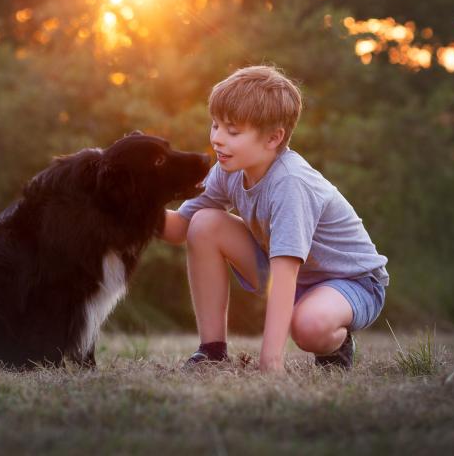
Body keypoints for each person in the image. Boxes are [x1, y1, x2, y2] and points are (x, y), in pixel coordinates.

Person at [159, 65, 389, 374]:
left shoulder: (290, 182)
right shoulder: (228, 169)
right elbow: (178, 230)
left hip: (351, 281)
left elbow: (285, 274)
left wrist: (271, 362)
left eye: (232, 130)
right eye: (215, 125)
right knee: (203, 223)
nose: (217, 139)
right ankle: (212, 351)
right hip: (294, 276)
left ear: (273, 138)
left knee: (309, 326)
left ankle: (337, 344)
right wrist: (128, 204)